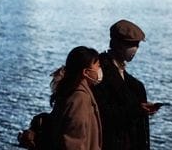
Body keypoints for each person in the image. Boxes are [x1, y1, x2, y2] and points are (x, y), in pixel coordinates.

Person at [93, 19, 158, 150]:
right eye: (132, 44)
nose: (135, 49)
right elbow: (102, 112)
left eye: (137, 45)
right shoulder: (100, 72)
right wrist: (137, 110)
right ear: (117, 44)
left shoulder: (132, 82)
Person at [50, 46, 103, 150]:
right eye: (98, 66)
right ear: (86, 72)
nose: (100, 70)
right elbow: (74, 140)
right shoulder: (80, 98)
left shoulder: (69, 90)